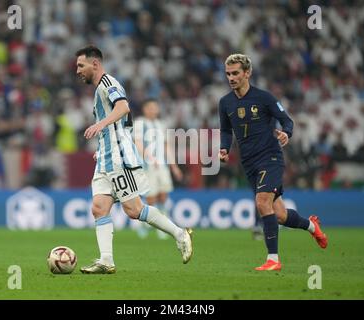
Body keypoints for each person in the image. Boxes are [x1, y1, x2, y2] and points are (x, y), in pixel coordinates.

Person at [75, 45, 193, 274]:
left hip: (119, 159)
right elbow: (123, 123)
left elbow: (124, 107)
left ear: (95, 64)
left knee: (134, 209)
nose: (78, 70)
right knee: (99, 208)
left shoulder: (108, 83)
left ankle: (180, 233)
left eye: (81, 65)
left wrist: (100, 126)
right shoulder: (100, 89)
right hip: (105, 158)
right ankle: (106, 260)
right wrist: (103, 145)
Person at [218, 54, 328, 271]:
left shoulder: (264, 98)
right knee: (279, 214)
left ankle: (273, 260)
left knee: (261, 202)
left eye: (235, 73)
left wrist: (286, 133)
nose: (231, 78)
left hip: (271, 158)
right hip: (248, 163)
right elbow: (225, 129)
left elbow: (287, 120)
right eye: (228, 74)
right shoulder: (225, 102)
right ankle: (311, 226)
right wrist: (224, 148)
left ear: (247, 73)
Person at [132, 99, 183, 239]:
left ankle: (163, 227)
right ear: (144, 109)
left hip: (162, 166)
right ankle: (145, 225)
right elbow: (138, 143)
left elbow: (167, 146)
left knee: (163, 195)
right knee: (151, 197)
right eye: (150, 107)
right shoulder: (139, 123)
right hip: (147, 166)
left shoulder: (161, 124)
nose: (153, 110)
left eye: (155, 107)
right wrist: (149, 157)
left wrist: (174, 167)